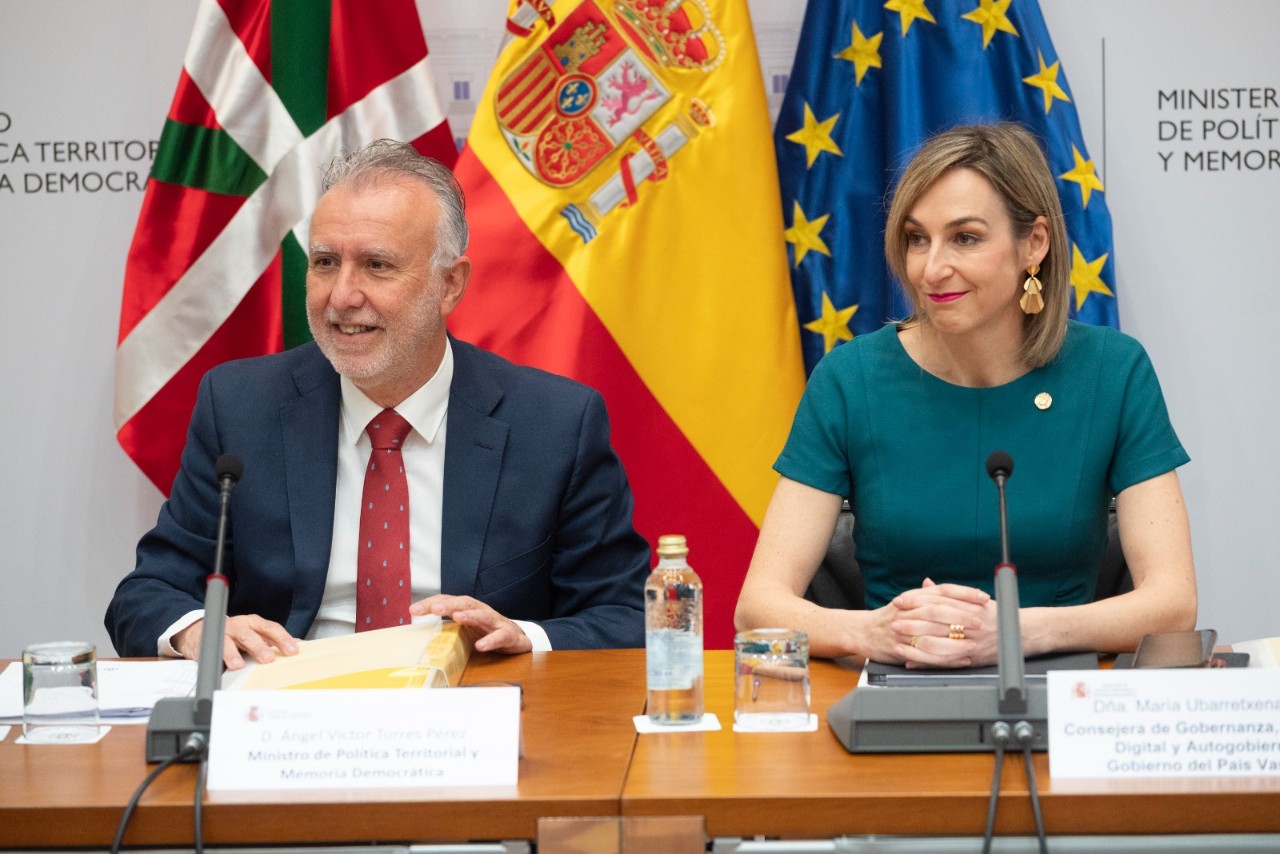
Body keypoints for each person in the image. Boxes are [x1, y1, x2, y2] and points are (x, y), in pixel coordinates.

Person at [106, 139, 650, 667]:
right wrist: (198, 629)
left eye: (377, 265)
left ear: (450, 284)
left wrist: (523, 636)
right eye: (324, 262)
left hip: (469, 701)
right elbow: (148, 593)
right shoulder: (241, 407)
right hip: (291, 703)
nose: (341, 296)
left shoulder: (554, 424)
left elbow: (626, 615)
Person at [735, 123, 1196, 667]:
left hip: (1066, 690)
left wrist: (1015, 632)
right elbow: (758, 607)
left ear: (1034, 244)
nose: (931, 269)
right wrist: (876, 633)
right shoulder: (849, 379)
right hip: (891, 684)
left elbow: (1173, 605)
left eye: (965, 238)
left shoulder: (1112, 372)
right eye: (917, 239)